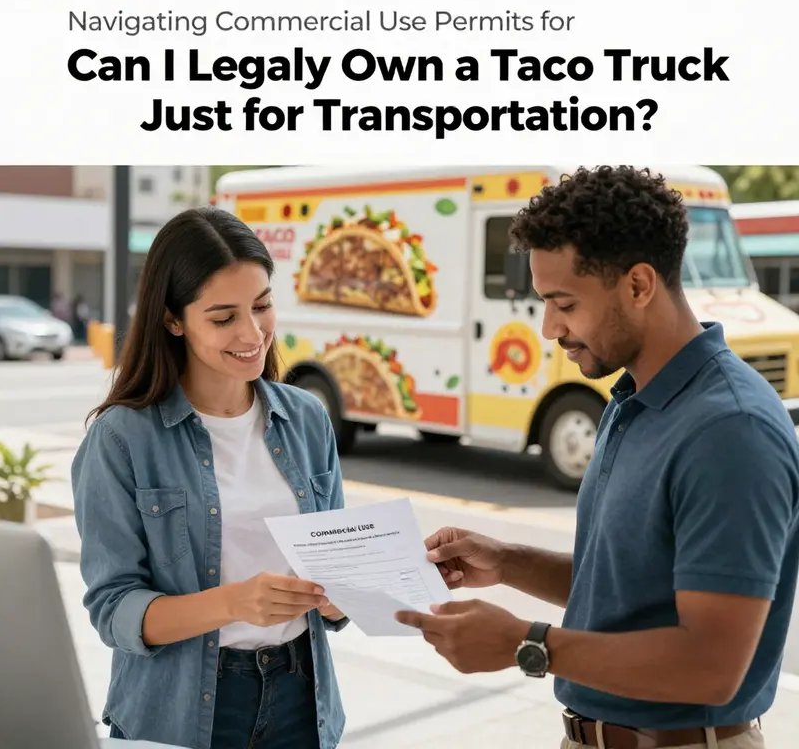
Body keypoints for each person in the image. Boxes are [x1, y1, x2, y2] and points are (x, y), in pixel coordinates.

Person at [396, 166, 799, 749]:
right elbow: (629, 589)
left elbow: (711, 667)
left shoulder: (729, 429)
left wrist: (525, 643)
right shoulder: (635, 393)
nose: (548, 328)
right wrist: (507, 561)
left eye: (563, 303)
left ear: (638, 285)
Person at [71, 206, 348, 749]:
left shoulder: (307, 419)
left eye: (262, 306)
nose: (252, 333)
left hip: (302, 698)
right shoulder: (122, 438)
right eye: (224, 318)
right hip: (181, 710)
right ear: (174, 319)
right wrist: (234, 603)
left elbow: (335, 565)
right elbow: (114, 610)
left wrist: (344, 595)